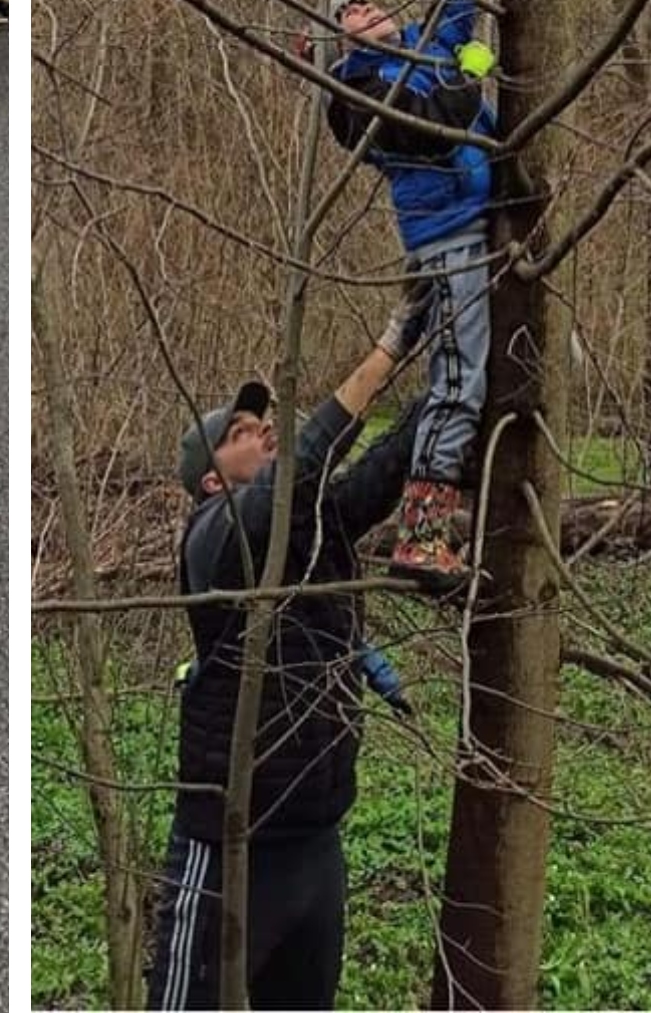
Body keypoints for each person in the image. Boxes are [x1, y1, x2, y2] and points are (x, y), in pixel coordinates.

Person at [149, 304, 424, 1010]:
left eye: (262, 423)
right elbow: (295, 477)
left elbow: (382, 469)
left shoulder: (311, 527)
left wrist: (447, 385)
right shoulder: (216, 535)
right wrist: (388, 349)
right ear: (212, 477)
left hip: (316, 847)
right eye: (241, 434)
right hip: (232, 853)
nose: (263, 430)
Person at [324, 0, 499, 582]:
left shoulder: (417, 55)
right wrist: (473, 73)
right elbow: (437, 125)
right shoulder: (359, 95)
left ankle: (444, 506)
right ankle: (420, 536)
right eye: (347, 14)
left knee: (477, 373)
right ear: (336, 45)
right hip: (449, 241)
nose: (362, 6)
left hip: (477, 231)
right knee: (458, 382)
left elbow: (455, 18)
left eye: (365, 0)